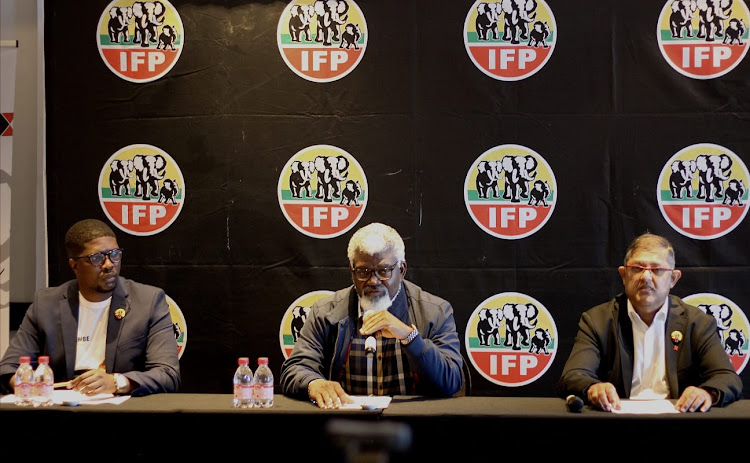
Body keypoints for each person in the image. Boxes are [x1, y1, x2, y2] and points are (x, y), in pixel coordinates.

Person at [280, 222, 463, 408]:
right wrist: (313, 383)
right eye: (363, 272)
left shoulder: (435, 311)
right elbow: (295, 368)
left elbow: (450, 382)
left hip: (414, 424)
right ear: (352, 271)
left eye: (384, 271)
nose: (373, 281)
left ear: (401, 270)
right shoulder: (325, 312)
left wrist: (409, 336)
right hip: (346, 423)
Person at [557, 232, 742, 412]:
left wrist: (706, 393)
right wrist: (593, 388)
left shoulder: (698, 322)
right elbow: (573, 375)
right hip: (617, 422)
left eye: (657, 270)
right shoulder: (597, 321)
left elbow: (727, 377)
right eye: (637, 268)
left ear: (673, 279)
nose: (646, 277)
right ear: (624, 275)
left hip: (677, 424)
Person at [0, 218, 180, 396]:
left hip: (121, 409)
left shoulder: (148, 301)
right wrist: (29, 389)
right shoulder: (46, 304)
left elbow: (167, 374)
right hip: (60, 410)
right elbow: (9, 368)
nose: (109, 264)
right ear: (74, 265)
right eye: (97, 258)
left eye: (115, 254)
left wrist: (117, 382)